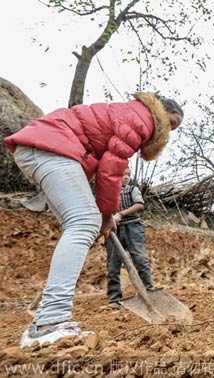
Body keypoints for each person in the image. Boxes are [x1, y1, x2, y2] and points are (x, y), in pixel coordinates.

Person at [4, 92, 183, 347]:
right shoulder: (142, 119)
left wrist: (102, 216)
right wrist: (107, 215)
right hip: (50, 148)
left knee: (80, 226)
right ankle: (49, 323)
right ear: (161, 113)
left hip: (45, 148)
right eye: (172, 124)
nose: (169, 131)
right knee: (85, 223)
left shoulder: (130, 112)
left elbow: (101, 165)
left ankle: (46, 318)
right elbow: (111, 171)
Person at [105, 167, 153, 309]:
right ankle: (114, 299)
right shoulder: (109, 192)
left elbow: (139, 205)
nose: (126, 177)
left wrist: (121, 214)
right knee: (113, 265)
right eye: (123, 174)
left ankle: (149, 292)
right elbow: (102, 207)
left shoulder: (133, 190)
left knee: (140, 260)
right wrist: (108, 219)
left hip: (133, 228)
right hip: (114, 231)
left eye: (128, 175)